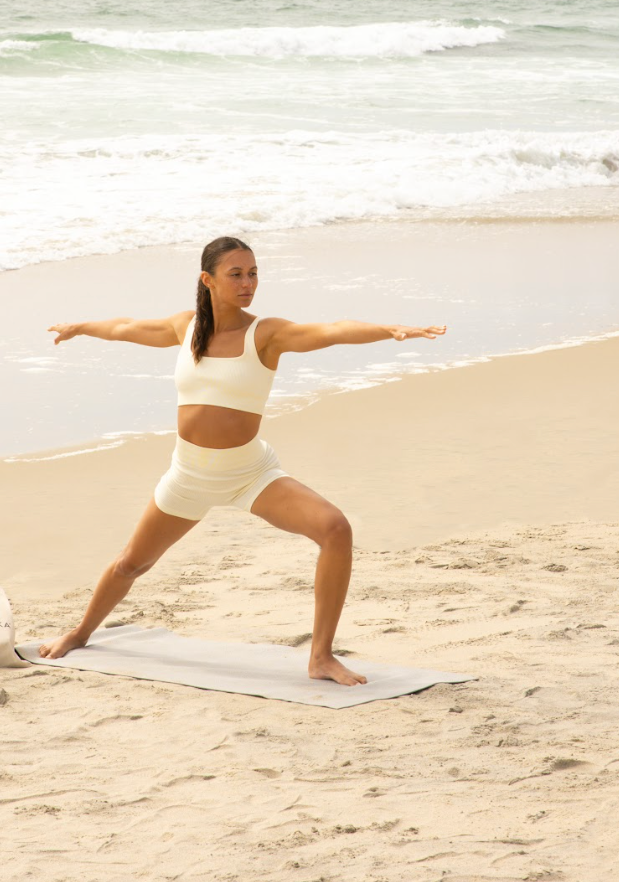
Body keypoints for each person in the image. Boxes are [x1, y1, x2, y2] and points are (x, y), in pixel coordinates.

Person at [40, 236, 446, 686]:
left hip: (250, 473)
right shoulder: (185, 327)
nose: (248, 283)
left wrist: (389, 330)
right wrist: (80, 327)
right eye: (236, 274)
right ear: (207, 279)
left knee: (335, 529)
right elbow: (125, 327)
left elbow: (331, 330)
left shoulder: (266, 334)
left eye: (253, 273)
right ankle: (80, 632)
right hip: (188, 475)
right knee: (131, 565)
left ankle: (321, 657)